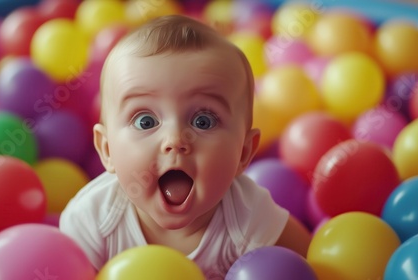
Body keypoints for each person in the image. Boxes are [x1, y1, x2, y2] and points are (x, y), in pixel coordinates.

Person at [60, 14, 311, 279]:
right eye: (146, 121)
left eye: (203, 121)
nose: (176, 140)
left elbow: (308, 265)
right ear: (107, 150)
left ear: (244, 152)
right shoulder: (92, 220)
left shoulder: (250, 218)